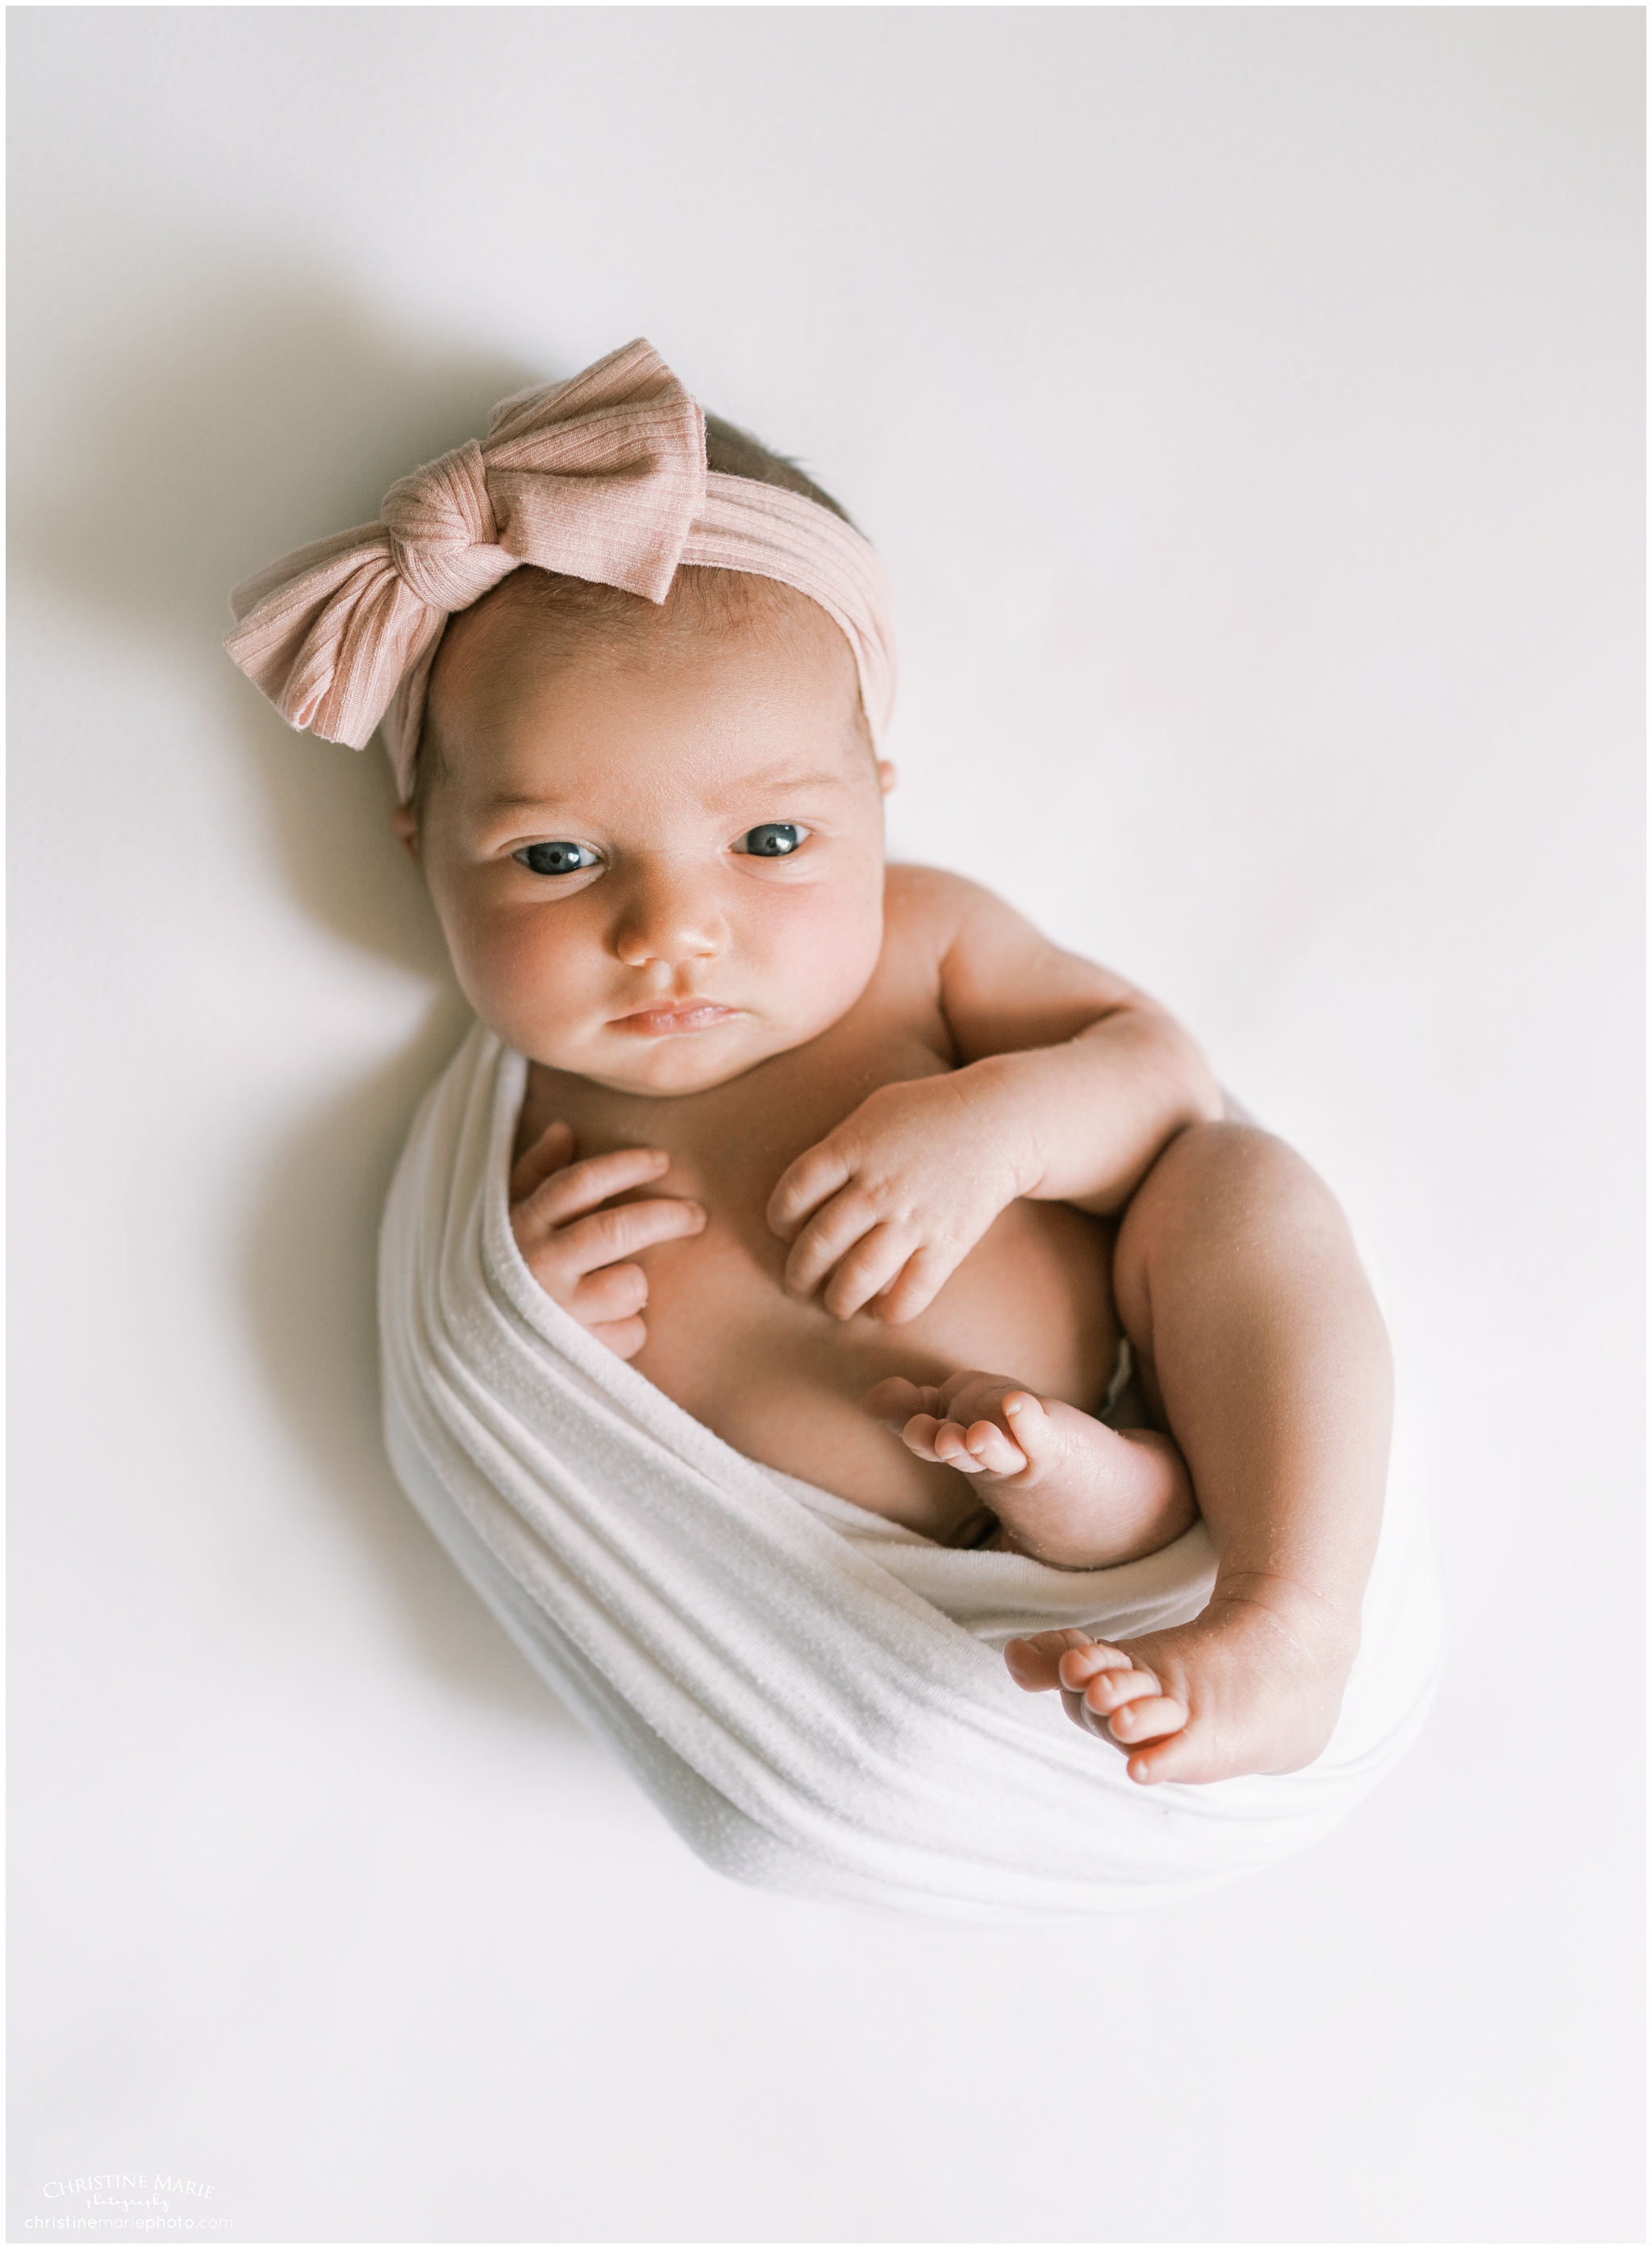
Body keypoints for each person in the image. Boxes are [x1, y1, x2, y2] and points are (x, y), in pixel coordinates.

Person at [227, 340, 1394, 1796]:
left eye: (771, 842)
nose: (671, 935)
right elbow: (503, 1450)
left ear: (874, 805)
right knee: (1058, 1487)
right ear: (425, 855)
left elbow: (1162, 1081)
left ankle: (1285, 1613)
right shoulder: (505, 1138)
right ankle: (1090, 1510)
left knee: (1240, 1185)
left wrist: (997, 1128)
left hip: (1138, 1395)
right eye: (556, 858)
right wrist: (533, 1333)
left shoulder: (930, 941)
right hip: (834, 1607)